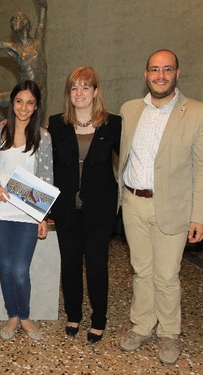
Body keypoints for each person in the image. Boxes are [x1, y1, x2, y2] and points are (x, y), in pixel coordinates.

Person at [118, 49, 203, 364]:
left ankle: (169, 334)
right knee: (141, 270)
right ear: (145, 74)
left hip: (172, 206)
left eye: (167, 69)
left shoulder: (199, 113)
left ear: (177, 73)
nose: (160, 76)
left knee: (166, 274)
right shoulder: (130, 110)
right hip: (133, 203)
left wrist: (200, 215)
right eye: (154, 70)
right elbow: (120, 157)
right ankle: (142, 325)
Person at [48, 67, 121, 344]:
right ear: (69, 93)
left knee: (96, 264)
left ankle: (99, 318)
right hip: (66, 208)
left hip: (100, 210)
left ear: (95, 91)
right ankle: (73, 314)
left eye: (85, 87)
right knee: (69, 263)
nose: (79, 93)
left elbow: (129, 161)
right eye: (74, 88)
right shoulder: (56, 124)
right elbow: (44, 160)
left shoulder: (113, 124)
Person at [0, 80, 53, 341]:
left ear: (36, 107)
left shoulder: (43, 137)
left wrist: (42, 216)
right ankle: (12, 316)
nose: (24, 107)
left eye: (30, 103)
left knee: (20, 269)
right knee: (5, 266)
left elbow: (47, 178)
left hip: (27, 212)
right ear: (12, 103)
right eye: (19, 101)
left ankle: (24, 315)